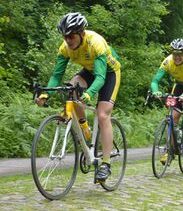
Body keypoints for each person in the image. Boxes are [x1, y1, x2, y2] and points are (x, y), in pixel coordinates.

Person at [35, 12, 122, 182]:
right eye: (65, 36)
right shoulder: (64, 48)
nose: (68, 40)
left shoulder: (96, 43)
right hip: (89, 71)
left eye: (71, 36)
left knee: (103, 115)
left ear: (82, 33)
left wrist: (89, 93)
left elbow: (101, 77)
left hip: (109, 73)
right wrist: (46, 93)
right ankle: (85, 130)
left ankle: (105, 164)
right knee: (71, 88)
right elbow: (56, 75)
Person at [150, 38, 183, 163]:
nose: (177, 57)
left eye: (180, 54)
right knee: (172, 118)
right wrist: (155, 91)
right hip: (179, 84)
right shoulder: (167, 62)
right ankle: (170, 150)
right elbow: (155, 81)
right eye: (174, 54)